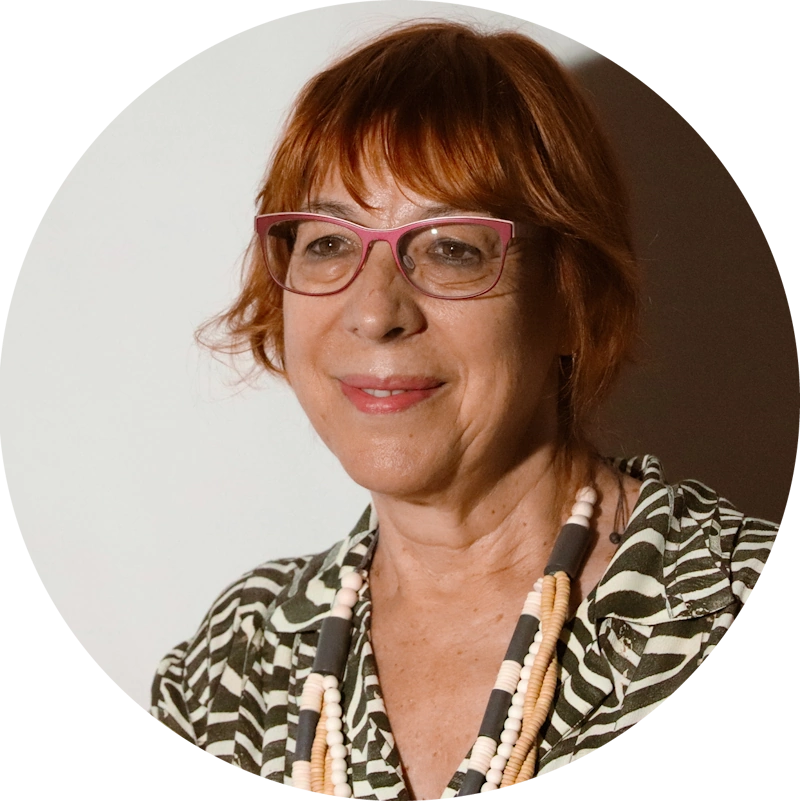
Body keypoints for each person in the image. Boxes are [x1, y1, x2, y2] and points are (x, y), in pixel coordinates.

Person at [150, 20, 779, 801]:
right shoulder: (237, 663)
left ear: (570, 297)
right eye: (329, 242)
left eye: (452, 246)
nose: (374, 311)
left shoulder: (726, 600)